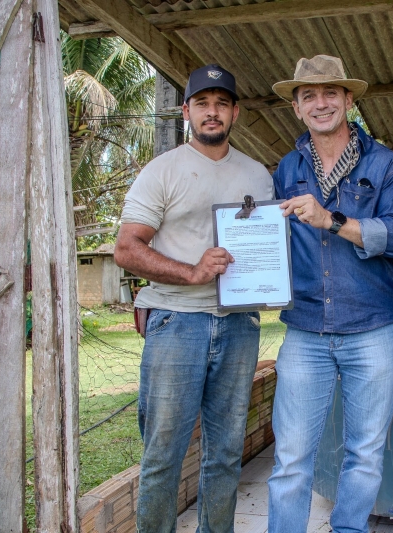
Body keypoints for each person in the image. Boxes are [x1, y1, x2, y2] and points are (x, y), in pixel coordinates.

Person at [114, 64, 273, 533]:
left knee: (225, 454)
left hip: (239, 323)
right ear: (186, 111)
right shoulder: (162, 171)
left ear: (236, 112)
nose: (212, 111)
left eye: (221, 103)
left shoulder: (258, 175)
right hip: (176, 322)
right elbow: (127, 248)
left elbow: (265, 247)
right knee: (164, 453)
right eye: (202, 103)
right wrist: (192, 272)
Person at [266, 55, 393, 533]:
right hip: (305, 330)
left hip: (372, 328)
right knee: (290, 458)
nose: (321, 102)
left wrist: (332, 219)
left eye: (331, 92)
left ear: (350, 100)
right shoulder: (286, 169)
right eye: (309, 95)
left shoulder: (386, 165)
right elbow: (273, 243)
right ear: (296, 108)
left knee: (365, 453)